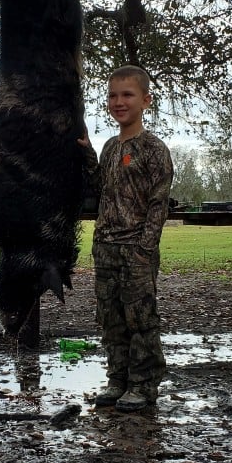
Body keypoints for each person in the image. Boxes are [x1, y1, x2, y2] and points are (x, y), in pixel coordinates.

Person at [79, 65, 173, 413]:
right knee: (111, 319)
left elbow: (158, 205)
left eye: (127, 95)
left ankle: (144, 385)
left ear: (146, 100)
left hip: (136, 250)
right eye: (113, 95)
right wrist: (88, 153)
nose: (119, 102)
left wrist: (143, 250)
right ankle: (118, 380)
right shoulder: (109, 148)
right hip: (105, 249)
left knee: (141, 320)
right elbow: (98, 189)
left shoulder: (153, 149)